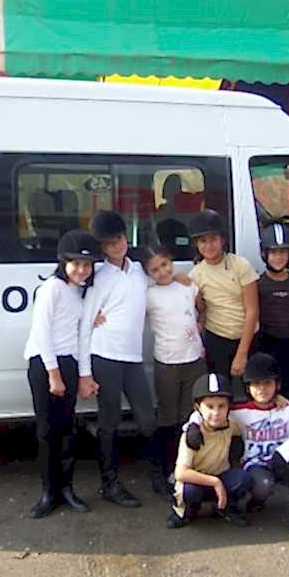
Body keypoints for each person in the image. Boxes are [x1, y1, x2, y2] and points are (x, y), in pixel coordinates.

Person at [78, 210, 163, 507]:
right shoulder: (99, 279)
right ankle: (110, 483)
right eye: (109, 243)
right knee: (109, 420)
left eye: (119, 239)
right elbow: (84, 326)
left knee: (147, 418)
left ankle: (159, 477)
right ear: (102, 247)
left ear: (126, 237)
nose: (116, 246)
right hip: (105, 356)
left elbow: (160, 281)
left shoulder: (139, 270)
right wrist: (85, 372)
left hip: (132, 357)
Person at [185, 353, 289, 541]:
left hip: (282, 462)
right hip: (257, 465)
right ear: (248, 387)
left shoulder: (287, 410)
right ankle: (256, 501)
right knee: (263, 485)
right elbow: (213, 412)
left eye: (267, 384)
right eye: (256, 384)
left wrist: (284, 451)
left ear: (277, 385)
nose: (262, 389)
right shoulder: (242, 412)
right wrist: (193, 423)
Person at [22, 229, 102, 518]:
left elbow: (80, 336)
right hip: (45, 364)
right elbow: (42, 334)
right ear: (63, 262)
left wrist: (82, 375)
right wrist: (53, 375)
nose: (81, 270)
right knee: (47, 430)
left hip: (69, 363)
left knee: (67, 429)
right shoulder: (50, 289)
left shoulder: (80, 293)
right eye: (75, 264)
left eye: (87, 265)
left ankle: (67, 488)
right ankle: (49, 492)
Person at [144, 245, 207, 496]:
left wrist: (201, 324)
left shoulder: (187, 286)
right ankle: (167, 468)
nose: (162, 271)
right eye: (155, 269)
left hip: (194, 360)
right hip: (167, 363)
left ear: (171, 261)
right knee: (168, 418)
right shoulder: (149, 295)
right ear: (148, 274)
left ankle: (189, 466)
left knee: (190, 417)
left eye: (165, 264)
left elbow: (202, 308)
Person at [167, 372, 252, 529]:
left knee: (243, 479)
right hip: (197, 479)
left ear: (229, 406)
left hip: (221, 474)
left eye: (222, 406)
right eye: (210, 406)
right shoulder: (192, 433)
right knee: (189, 491)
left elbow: (256, 412)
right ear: (197, 407)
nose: (216, 413)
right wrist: (215, 482)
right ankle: (187, 511)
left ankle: (225, 506)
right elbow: (180, 473)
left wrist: (279, 399)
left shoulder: (232, 424)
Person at [188, 209, 259, 392]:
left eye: (213, 239)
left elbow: (252, 310)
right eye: (203, 241)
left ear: (223, 240)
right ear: (196, 244)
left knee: (254, 392)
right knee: (221, 393)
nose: (209, 245)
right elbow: (200, 310)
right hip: (217, 340)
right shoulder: (196, 275)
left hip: (248, 337)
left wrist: (242, 353)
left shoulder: (240, 265)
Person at [256, 223, 289, 401]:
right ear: (264, 254)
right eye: (273, 252)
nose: (278, 257)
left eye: (283, 252)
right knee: (267, 396)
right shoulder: (258, 284)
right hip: (266, 348)